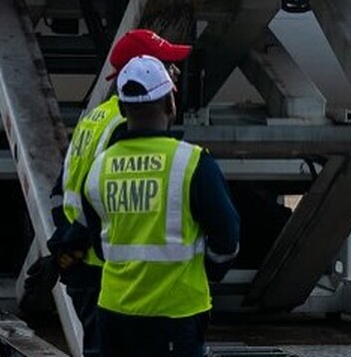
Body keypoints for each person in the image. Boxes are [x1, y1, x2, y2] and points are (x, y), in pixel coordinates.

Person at [44, 29, 193, 355]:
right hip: (105, 269)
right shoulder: (125, 127)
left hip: (84, 262)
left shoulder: (95, 117)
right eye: (168, 66)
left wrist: (63, 247)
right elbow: (106, 203)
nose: (175, 74)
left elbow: (62, 190)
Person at [80, 55, 239, 357]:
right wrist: (207, 271)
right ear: (170, 104)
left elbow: (100, 246)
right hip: (176, 313)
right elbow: (227, 238)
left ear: (123, 109)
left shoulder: (99, 167)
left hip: (114, 311)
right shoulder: (192, 162)